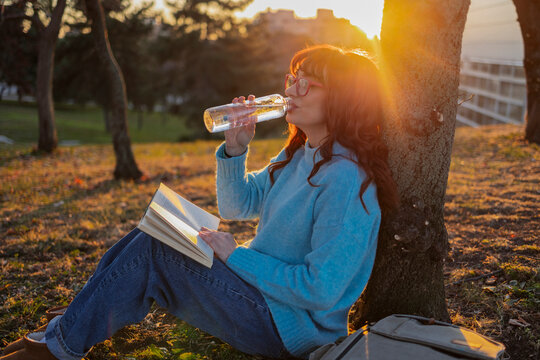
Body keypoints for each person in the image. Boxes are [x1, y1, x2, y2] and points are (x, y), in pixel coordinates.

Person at [1, 44, 398, 360]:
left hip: (288, 327)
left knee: (158, 246)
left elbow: (321, 290)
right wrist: (235, 148)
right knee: (164, 221)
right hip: (259, 296)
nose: (291, 90)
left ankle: (62, 344)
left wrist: (236, 257)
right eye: (293, 78)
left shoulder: (345, 178)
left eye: (307, 84)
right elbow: (237, 206)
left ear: (343, 100)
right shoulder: (300, 154)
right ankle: (86, 312)